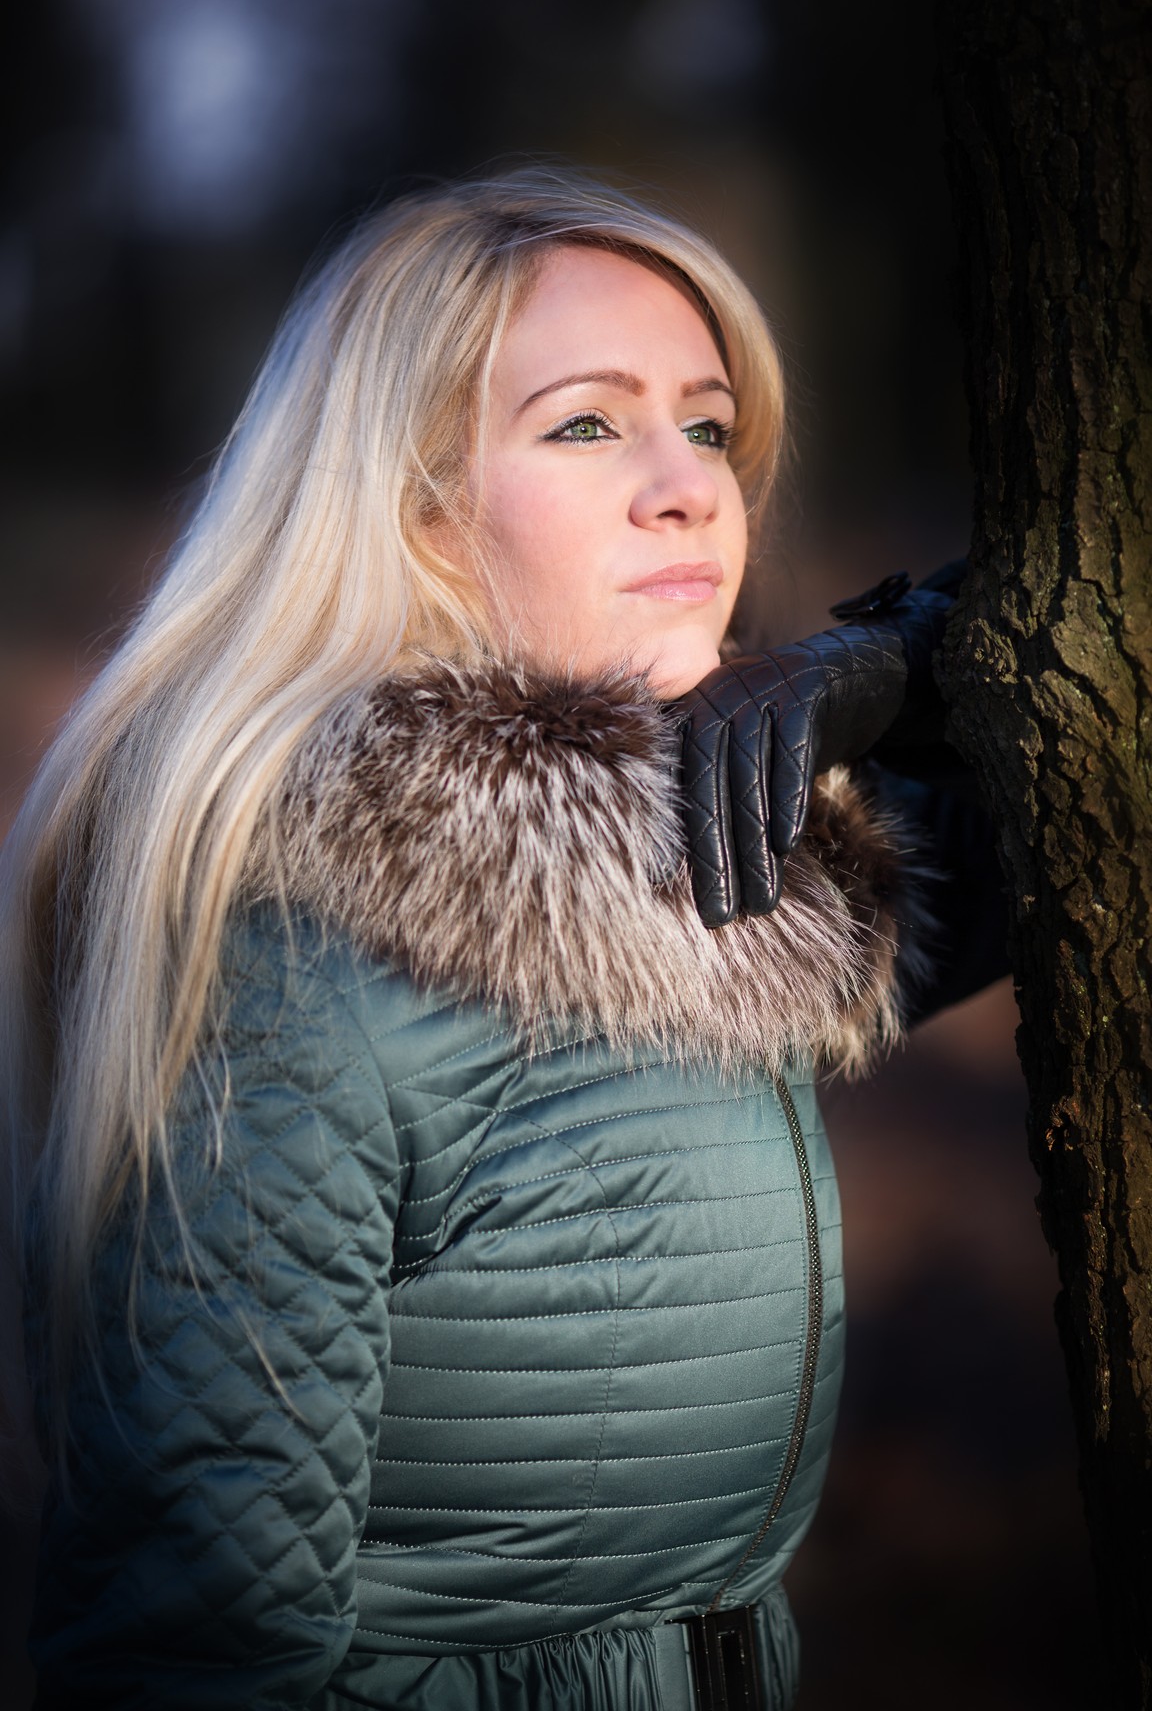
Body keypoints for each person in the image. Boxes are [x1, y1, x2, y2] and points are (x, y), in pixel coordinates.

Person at [1, 170, 1006, 1710]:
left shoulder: (717, 869)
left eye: (710, 428)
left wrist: (896, 658)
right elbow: (190, 1648)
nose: (686, 487)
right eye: (587, 424)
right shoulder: (300, 966)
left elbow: (1094, 672)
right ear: (412, 519)